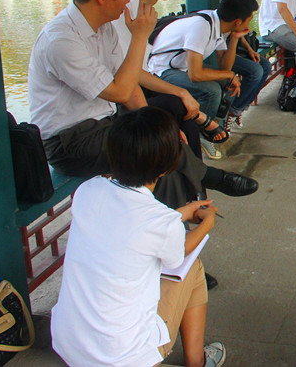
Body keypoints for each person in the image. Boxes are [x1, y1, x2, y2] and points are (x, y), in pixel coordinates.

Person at [28, 0, 258, 214]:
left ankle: (185, 210)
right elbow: (120, 91)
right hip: (70, 141)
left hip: (104, 124)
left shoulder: (103, 28)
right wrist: (140, 35)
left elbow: (131, 77)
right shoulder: (62, 41)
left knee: (163, 142)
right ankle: (202, 186)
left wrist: (155, 125)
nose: (128, 2)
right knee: (155, 150)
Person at [51, 107, 225, 367]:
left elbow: (131, 223)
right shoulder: (159, 221)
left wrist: (179, 214)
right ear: (169, 166)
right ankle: (196, 360)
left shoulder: (87, 190)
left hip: (69, 344)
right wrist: (207, 222)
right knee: (192, 267)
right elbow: (178, 253)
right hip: (123, 358)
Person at [110, 0, 227, 161]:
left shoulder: (147, 12)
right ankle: (197, 168)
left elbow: (140, 70)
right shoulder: (125, 16)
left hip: (142, 85)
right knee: (179, 111)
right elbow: (130, 74)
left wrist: (181, 93)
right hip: (121, 101)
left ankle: (197, 175)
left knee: (186, 116)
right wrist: (179, 94)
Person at [148, 0, 258, 128]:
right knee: (212, 91)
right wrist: (229, 75)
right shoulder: (202, 26)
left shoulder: (218, 24)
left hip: (182, 67)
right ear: (237, 22)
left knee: (229, 83)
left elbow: (225, 68)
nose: (248, 26)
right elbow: (195, 75)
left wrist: (235, 38)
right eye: (248, 21)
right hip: (161, 69)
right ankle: (202, 133)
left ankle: (216, 123)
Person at [218, 0, 271, 133]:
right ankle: (231, 111)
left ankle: (237, 109)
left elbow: (237, 28)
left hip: (232, 46)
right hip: (220, 52)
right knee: (255, 71)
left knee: (264, 65)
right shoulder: (214, 0)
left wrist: (249, 49)